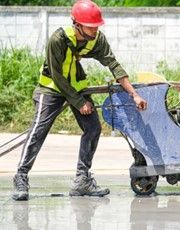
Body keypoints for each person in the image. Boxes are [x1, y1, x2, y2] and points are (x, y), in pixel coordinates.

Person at [12, 0, 148, 201]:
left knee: (93, 128)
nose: (94, 30)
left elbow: (114, 65)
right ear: (76, 24)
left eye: (96, 26)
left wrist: (133, 94)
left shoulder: (97, 39)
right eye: (90, 26)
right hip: (50, 88)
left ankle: (82, 180)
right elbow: (57, 76)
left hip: (77, 88)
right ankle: (21, 176)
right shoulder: (57, 39)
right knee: (39, 129)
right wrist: (78, 102)